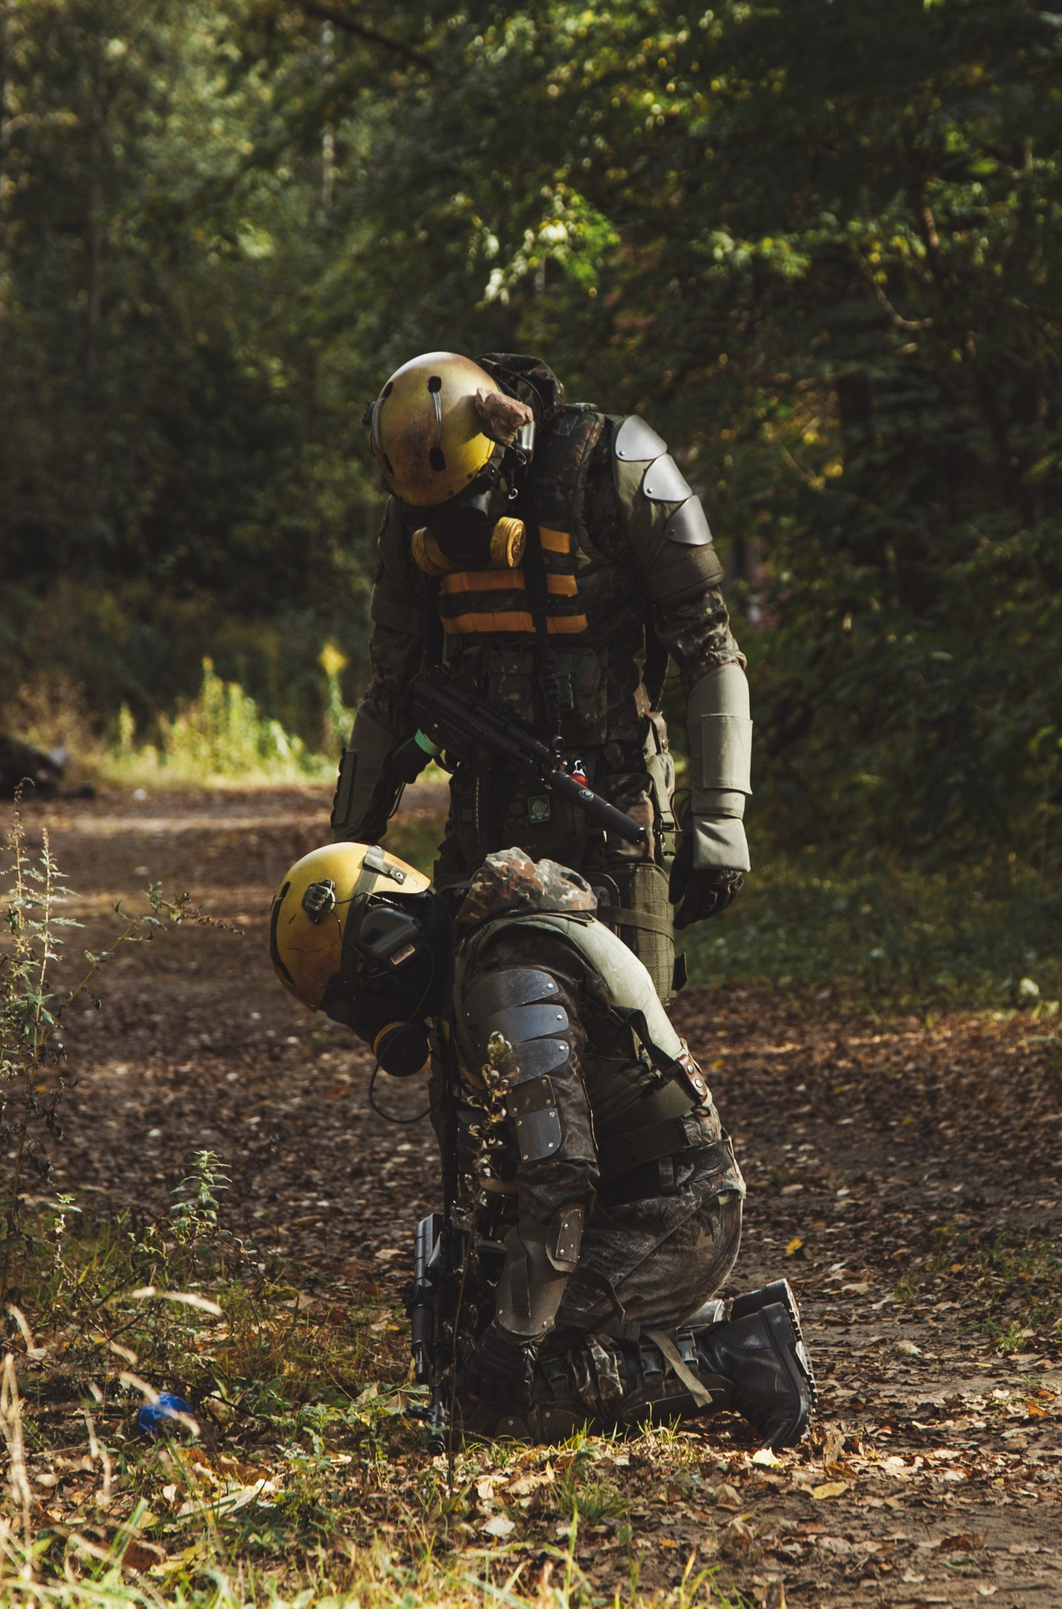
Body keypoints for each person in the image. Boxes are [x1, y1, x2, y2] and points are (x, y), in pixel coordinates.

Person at [267, 839, 812, 1446]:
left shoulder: (508, 974)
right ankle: (712, 1334)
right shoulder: (476, 965)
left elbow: (560, 1169)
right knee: (476, 1357)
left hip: (670, 1216)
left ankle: (739, 1357)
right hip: (638, 1204)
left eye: (356, 1003)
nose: (373, 1028)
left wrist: (516, 1333)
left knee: (503, 1411)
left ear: (386, 945)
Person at [327, 351, 751, 1001]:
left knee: (637, 1032)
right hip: (482, 808)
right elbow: (390, 685)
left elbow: (711, 649)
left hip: (617, 802)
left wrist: (721, 823)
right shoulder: (414, 500)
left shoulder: (617, 468)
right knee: (454, 1016)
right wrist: (347, 848)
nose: (455, 522)